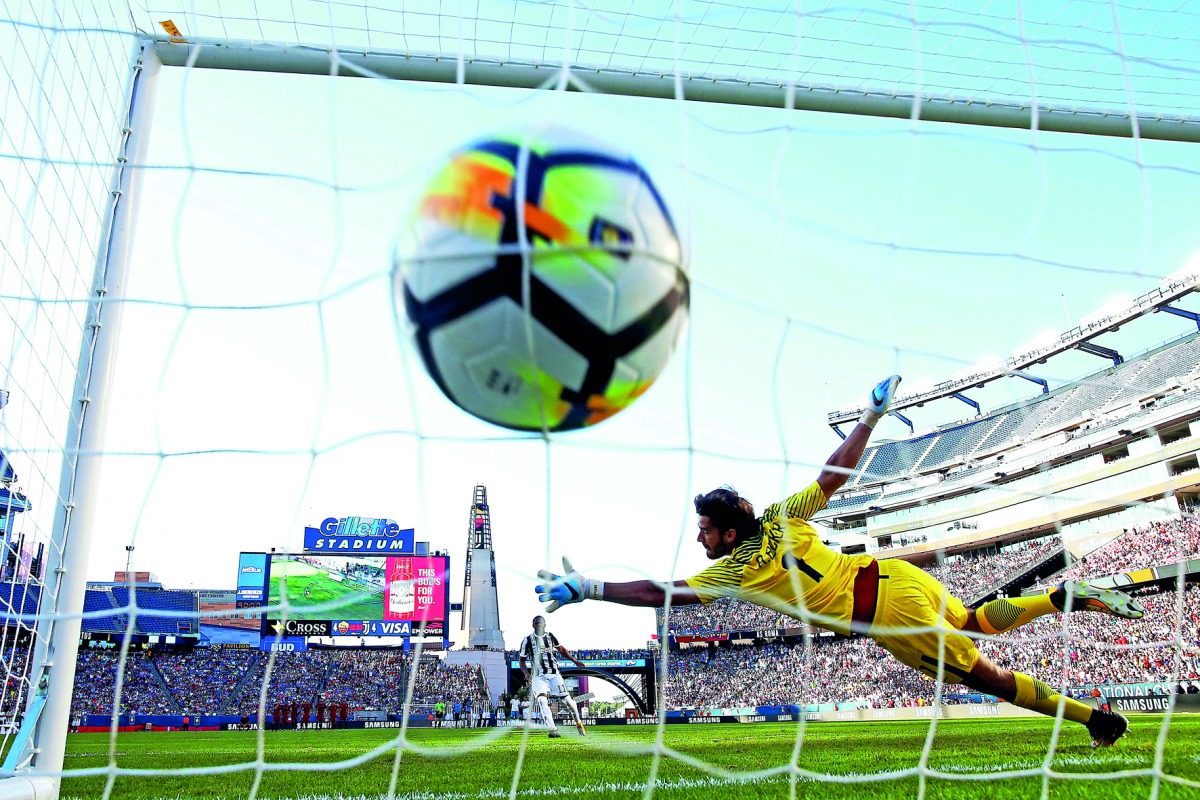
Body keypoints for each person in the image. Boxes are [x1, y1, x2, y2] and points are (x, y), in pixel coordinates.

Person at [535, 375, 1144, 748]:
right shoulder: (779, 515)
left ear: (724, 534)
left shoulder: (736, 570)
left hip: (888, 615)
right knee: (977, 624)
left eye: (703, 532)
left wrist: (590, 587)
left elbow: (659, 593)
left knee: (987, 679)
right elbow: (834, 476)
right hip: (897, 575)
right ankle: (1067, 595)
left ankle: (1093, 718)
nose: (698, 540)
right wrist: (871, 417)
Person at [519, 615, 588, 738]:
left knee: (568, 701)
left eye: (540, 623)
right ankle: (553, 729)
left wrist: (574, 660)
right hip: (538, 676)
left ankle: (578, 722)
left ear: (544, 625)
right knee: (541, 700)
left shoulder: (550, 637)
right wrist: (526, 674)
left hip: (554, 674)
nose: (538, 625)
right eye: (536, 623)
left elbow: (561, 649)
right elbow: (522, 661)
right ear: (533, 625)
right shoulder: (527, 640)